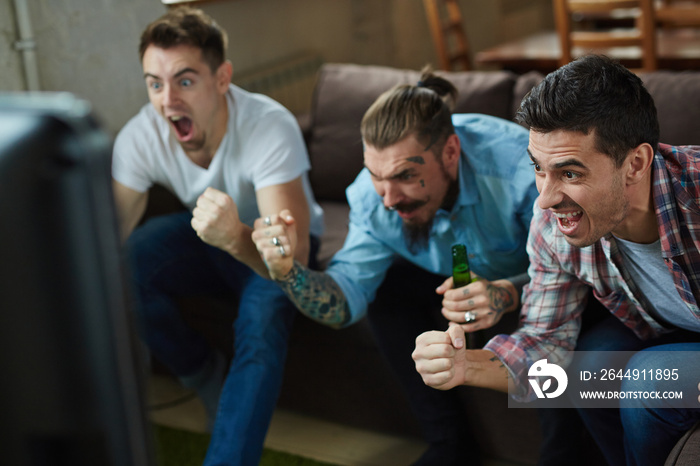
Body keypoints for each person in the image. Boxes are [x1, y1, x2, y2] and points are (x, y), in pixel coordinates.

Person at [412, 54, 700, 466]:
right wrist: (465, 366)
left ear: (635, 163)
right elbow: (544, 349)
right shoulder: (552, 226)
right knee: (587, 369)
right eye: (538, 169)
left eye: (569, 174)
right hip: (672, 335)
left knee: (650, 380)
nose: (545, 197)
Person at [252, 68, 539, 465]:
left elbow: (576, 268)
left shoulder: (521, 173)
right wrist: (287, 271)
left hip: (538, 282)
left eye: (406, 175)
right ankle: (449, 445)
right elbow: (342, 305)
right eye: (376, 176)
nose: (388, 198)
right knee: (386, 288)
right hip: (450, 276)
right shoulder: (374, 202)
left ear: (450, 153)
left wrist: (506, 292)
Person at [111, 7, 323, 466]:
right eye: (154, 83)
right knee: (125, 265)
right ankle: (203, 374)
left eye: (185, 81)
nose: (168, 101)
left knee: (261, 327)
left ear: (222, 78)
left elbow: (293, 259)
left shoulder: (269, 126)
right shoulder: (140, 137)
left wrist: (234, 238)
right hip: (209, 241)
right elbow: (104, 243)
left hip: (278, 253)